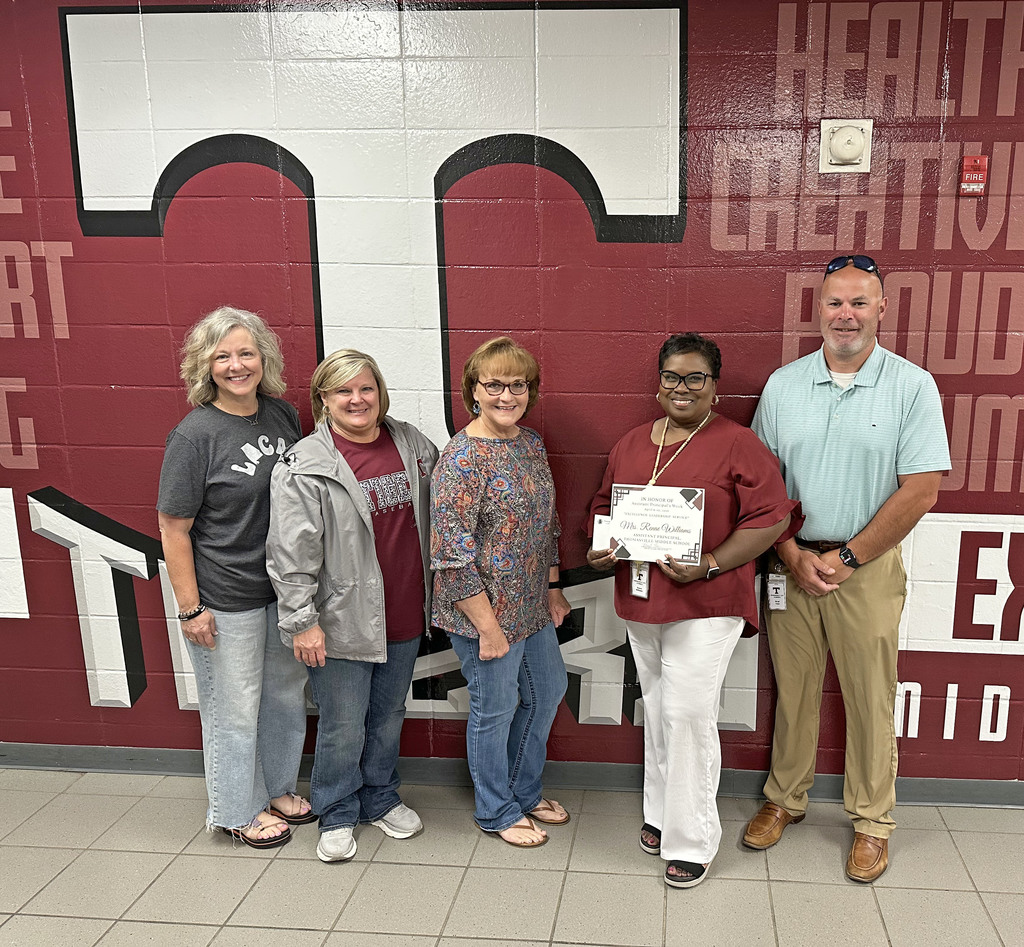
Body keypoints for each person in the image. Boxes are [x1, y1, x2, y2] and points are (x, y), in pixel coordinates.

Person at [744, 255, 951, 883]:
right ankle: (785, 798)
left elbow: (922, 489)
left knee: (869, 695)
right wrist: (790, 553)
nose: (846, 315)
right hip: (792, 561)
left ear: (882, 309)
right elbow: (762, 486)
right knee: (794, 690)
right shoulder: (784, 386)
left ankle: (872, 821)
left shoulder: (912, 386)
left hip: (867, 568)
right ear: (819, 309)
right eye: (835, 302)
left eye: (860, 302)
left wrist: (849, 556)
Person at [586, 332, 799, 889]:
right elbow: (605, 507)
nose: (682, 387)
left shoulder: (738, 443)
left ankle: (692, 840)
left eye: (695, 378)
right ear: (658, 384)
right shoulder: (631, 444)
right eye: (672, 377)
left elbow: (772, 517)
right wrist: (602, 544)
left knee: (686, 715)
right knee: (659, 708)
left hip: (708, 600)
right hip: (642, 596)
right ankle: (660, 813)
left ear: (714, 387)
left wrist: (710, 564)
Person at [266, 349, 438, 863]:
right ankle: (337, 810)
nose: (357, 399)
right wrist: (302, 621)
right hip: (341, 620)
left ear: (380, 391)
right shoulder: (305, 465)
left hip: (405, 611)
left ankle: (380, 797)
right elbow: (290, 553)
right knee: (343, 725)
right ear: (324, 398)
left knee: (387, 716)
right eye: (343, 390)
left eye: (366, 388)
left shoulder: (411, 444)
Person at [157, 306, 313, 849]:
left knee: (284, 699)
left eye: (246, 353)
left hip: (282, 592)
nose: (236, 365)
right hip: (226, 597)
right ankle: (236, 811)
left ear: (263, 358)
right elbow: (173, 528)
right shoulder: (194, 436)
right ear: (206, 365)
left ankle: (276, 789)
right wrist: (191, 608)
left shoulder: (282, 415)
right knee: (234, 709)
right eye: (222, 356)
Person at [430, 336, 571, 848]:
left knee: (547, 690)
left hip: (531, 606)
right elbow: (450, 556)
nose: (506, 396)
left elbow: (546, 524)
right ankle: (494, 809)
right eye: (494, 385)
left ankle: (523, 791)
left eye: (518, 385)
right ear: (473, 390)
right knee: (494, 711)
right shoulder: (461, 459)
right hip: (482, 614)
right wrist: (488, 629)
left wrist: (553, 587)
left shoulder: (529, 443)